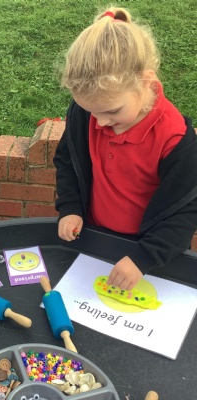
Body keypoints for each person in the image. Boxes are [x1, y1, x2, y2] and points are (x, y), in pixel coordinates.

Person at [53, 7, 197, 290]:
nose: (101, 122)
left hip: (147, 254)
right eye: (92, 112)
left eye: (112, 111)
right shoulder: (88, 113)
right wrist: (70, 208)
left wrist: (145, 257)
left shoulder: (174, 139)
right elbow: (67, 161)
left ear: (146, 82)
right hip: (94, 237)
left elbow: (187, 208)